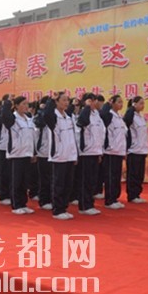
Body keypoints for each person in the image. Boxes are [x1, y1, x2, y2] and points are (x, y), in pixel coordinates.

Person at [43, 92, 79, 220]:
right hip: (59, 155)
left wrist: (75, 155)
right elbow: (46, 114)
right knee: (58, 184)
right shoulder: (53, 117)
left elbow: (73, 138)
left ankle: (64, 207)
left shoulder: (69, 118)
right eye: (63, 100)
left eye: (67, 100)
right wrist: (50, 101)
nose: (66, 102)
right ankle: (57, 210)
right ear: (57, 102)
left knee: (68, 184)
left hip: (69, 155)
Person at [1, 96, 36, 215]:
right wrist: (7, 103)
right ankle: (16, 205)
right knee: (16, 181)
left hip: (27, 153)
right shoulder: (12, 118)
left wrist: (33, 152)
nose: (26, 106)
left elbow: (32, 137)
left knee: (25, 182)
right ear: (16, 106)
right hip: (16, 154)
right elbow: (5, 115)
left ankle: (23, 204)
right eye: (23, 104)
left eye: (27, 104)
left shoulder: (29, 119)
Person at [76, 93, 106, 215]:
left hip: (95, 151)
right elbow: (82, 122)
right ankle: (84, 206)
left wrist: (100, 152)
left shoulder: (97, 114)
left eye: (94, 101)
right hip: (86, 152)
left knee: (93, 180)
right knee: (85, 180)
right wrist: (86, 107)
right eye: (90, 101)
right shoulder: (84, 113)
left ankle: (90, 204)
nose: (93, 103)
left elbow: (101, 133)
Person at [102, 95, 128, 210]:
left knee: (117, 176)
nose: (121, 104)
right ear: (112, 103)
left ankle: (115, 198)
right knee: (110, 176)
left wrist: (124, 150)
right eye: (118, 102)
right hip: (110, 151)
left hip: (119, 151)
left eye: (122, 102)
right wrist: (110, 146)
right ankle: (109, 200)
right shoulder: (109, 116)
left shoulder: (119, 117)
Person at [124, 96, 148, 204]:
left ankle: (137, 194)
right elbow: (126, 124)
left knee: (140, 174)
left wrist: (146, 148)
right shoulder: (131, 116)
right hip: (133, 150)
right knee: (133, 174)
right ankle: (132, 195)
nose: (142, 105)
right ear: (134, 104)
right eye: (140, 103)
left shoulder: (141, 117)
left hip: (142, 150)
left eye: (143, 103)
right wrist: (132, 108)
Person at [34, 96, 53, 211]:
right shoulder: (39, 116)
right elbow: (39, 123)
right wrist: (41, 110)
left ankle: (51, 198)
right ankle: (44, 200)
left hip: (53, 152)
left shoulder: (55, 116)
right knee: (44, 178)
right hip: (43, 151)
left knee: (52, 178)